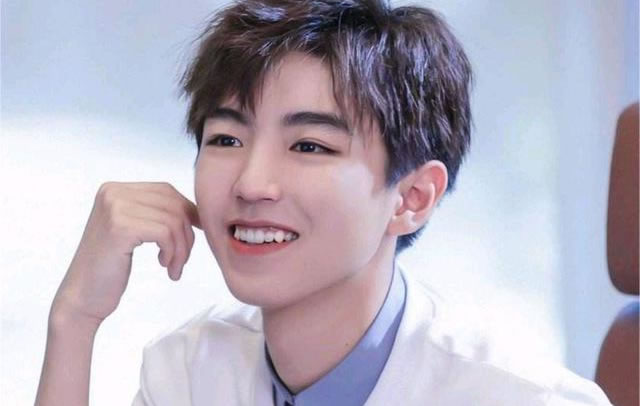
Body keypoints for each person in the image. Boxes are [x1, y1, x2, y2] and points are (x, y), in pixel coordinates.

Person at [35, 1, 613, 405]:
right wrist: (75, 319)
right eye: (226, 139)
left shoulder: (523, 399)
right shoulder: (189, 371)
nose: (251, 184)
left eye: (309, 145)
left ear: (412, 198)